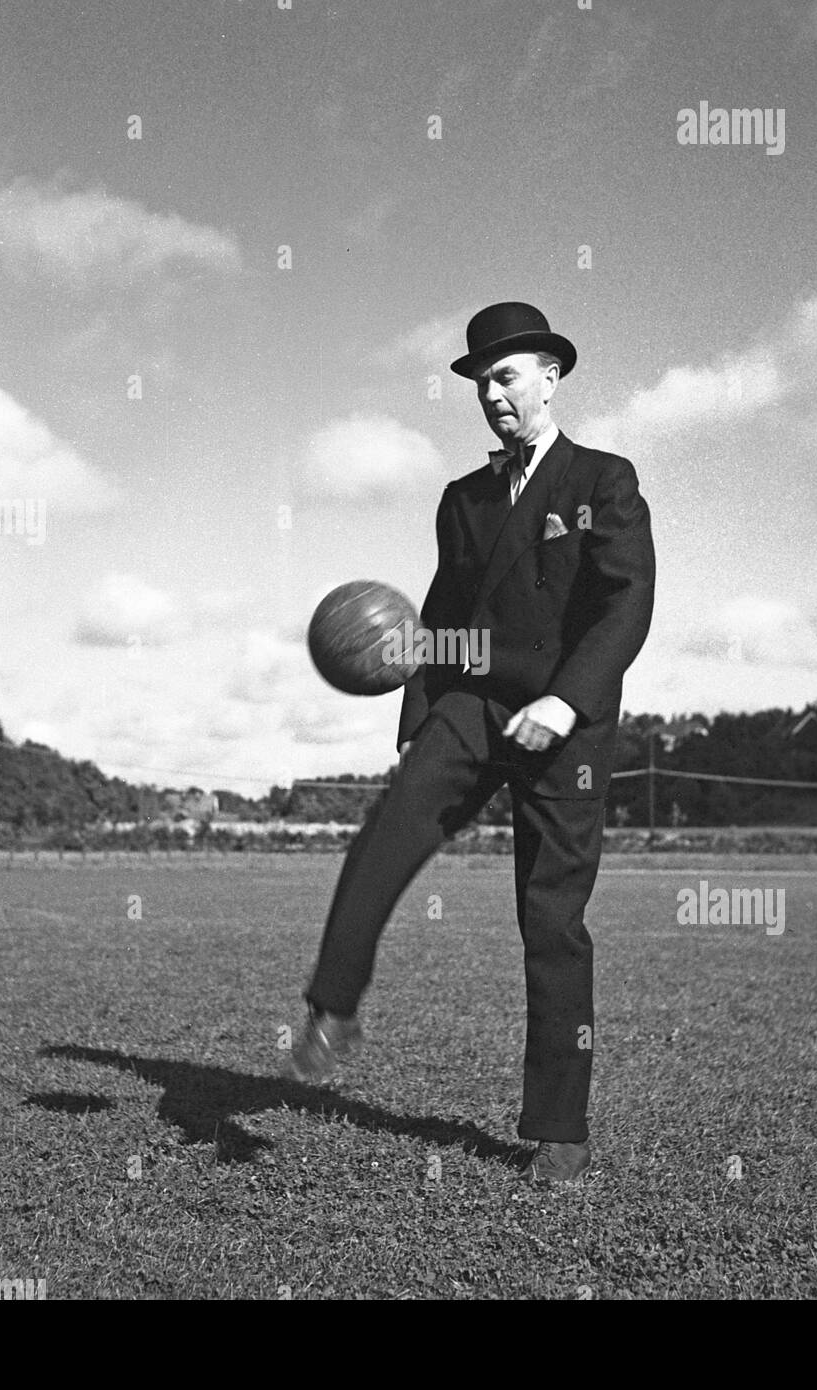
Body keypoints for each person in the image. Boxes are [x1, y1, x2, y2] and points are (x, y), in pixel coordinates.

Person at [288, 302, 656, 1185]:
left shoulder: (604, 481)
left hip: (566, 722)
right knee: (386, 832)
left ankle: (559, 1128)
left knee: (550, 919)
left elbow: (624, 606)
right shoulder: (464, 499)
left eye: (506, 375)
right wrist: (418, 712)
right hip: (475, 707)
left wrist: (567, 704)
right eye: (479, 381)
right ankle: (333, 1007)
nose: (492, 393)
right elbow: (447, 616)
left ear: (549, 377)